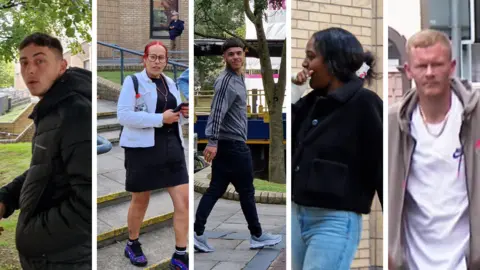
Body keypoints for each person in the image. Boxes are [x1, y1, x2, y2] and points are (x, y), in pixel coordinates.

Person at [291, 27, 383, 270]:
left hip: (334, 221)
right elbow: (284, 138)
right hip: (296, 214)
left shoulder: (365, 104)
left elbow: (381, 166)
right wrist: (295, 90)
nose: (305, 63)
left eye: (311, 56)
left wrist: (397, 230)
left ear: (333, 62)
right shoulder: (309, 103)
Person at [388, 29, 480, 269]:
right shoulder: (393, 124)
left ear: (452, 67)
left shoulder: (475, 116)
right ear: (408, 70)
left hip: (466, 261)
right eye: (421, 66)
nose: (429, 73)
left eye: (437, 64)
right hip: (413, 261)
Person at [0, 33, 92, 269]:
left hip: (64, 260)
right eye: (24, 62)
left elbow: (87, 205)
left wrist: (31, 235)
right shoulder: (51, 110)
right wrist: (5, 198)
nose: (30, 70)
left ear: (62, 66)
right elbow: (43, 170)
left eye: (40, 60)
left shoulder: (76, 113)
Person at [193, 38, 282, 252]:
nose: (235, 57)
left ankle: (197, 233)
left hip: (230, 144)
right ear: (224, 57)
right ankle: (257, 235)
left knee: (216, 189)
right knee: (246, 191)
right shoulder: (226, 81)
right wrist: (212, 141)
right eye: (231, 54)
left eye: (239, 53)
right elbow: (216, 111)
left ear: (244, 54)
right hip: (232, 145)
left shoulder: (237, 78)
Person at [117, 41, 189, 269]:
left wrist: (183, 113)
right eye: (153, 57)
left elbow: (175, 115)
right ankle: (132, 243)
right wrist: (160, 118)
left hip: (172, 147)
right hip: (143, 150)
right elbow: (124, 116)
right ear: (144, 59)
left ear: (167, 61)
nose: (158, 61)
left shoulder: (171, 83)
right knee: (141, 199)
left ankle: (180, 254)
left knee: (184, 201)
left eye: (162, 58)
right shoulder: (133, 82)